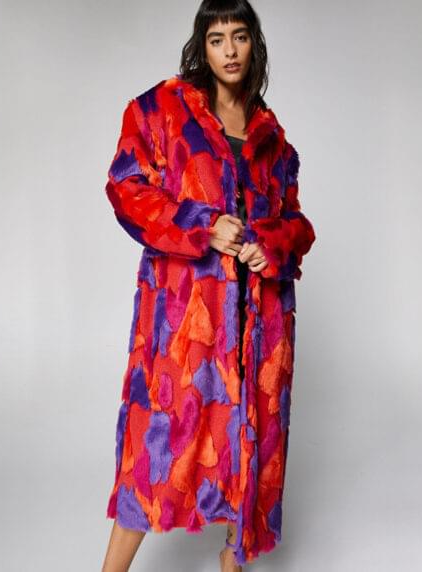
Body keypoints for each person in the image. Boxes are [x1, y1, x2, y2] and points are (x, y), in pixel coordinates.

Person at [101, 1, 316, 571]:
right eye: (217, 39)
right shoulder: (162, 110)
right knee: (157, 455)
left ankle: (231, 561)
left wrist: (268, 243)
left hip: (258, 324)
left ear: (253, 44)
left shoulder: (272, 137)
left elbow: (297, 223)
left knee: (248, 448)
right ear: (203, 45)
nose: (229, 51)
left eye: (239, 37)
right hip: (188, 322)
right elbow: (126, 187)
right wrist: (202, 225)